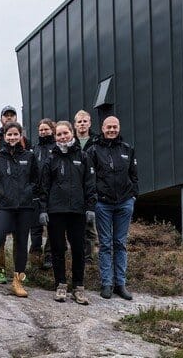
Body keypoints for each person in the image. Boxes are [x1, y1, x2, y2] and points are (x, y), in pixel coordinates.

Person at [39, 120, 97, 305]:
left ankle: (78, 287)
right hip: (56, 211)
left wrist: (90, 207)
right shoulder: (51, 159)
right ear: (55, 136)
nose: (63, 137)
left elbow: (89, 183)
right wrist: (43, 210)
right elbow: (44, 187)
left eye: (66, 133)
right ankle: (61, 285)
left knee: (79, 249)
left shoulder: (83, 156)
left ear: (72, 133)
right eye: (59, 134)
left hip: (77, 211)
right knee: (58, 249)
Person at [0, 122, 39, 297]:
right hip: (5, 206)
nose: (12, 137)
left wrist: (29, 192)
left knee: (21, 243)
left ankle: (17, 282)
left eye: (15, 134)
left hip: (25, 207)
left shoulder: (29, 156)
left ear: (21, 136)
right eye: (9, 135)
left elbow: (36, 180)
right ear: (4, 137)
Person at [86, 116, 138, 300]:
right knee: (106, 244)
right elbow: (90, 179)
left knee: (120, 244)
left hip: (124, 202)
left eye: (115, 127)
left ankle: (120, 284)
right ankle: (106, 283)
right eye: (109, 127)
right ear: (102, 128)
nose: (112, 130)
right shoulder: (93, 150)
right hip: (103, 204)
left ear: (119, 127)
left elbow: (134, 174)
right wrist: (95, 199)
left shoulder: (127, 149)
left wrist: (133, 197)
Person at [0, 105, 28, 284]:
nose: (9, 118)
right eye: (6, 115)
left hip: (22, 200)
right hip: (0, 199)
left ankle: (19, 272)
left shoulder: (24, 141)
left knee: (20, 237)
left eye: (12, 115)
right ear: (1, 119)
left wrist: (27, 192)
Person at [30, 118, 55, 269]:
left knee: (51, 227)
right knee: (35, 227)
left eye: (46, 129)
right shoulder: (35, 149)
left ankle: (49, 256)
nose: (43, 132)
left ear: (52, 130)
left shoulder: (56, 147)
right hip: (35, 194)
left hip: (52, 194)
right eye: (41, 130)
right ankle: (35, 255)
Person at [74, 109, 99, 264]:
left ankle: (88, 258)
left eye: (85, 121)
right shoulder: (70, 141)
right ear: (74, 124)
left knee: (90, 226)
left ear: (89, 123)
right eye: (79, 122)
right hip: (74, 188)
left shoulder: (96, 141)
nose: (82, 124)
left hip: (90, 188)